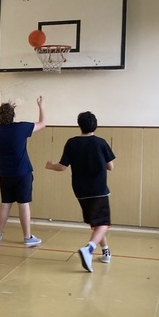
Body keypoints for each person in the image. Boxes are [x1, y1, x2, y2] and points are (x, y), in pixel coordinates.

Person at [45, 111, 115, 273]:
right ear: (95, 125)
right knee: (103, 223)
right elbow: (110, 166)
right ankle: (89, 249)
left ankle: (105, 251)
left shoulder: (72, 143)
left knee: (96, 222)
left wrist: (50, 166)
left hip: (80, 191)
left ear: (79, 125)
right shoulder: (101, 142)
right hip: (99, 189)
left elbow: (62, 167)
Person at [0, 96, 45, 246]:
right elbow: (42, 123)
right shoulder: (21, 128)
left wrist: (8, 108)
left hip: (5, 173)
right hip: (22, 172)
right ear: (13, 115)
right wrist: (41, 106)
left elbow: (4, 119)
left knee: (5, 203)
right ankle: (27, 237)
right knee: (23, 203)